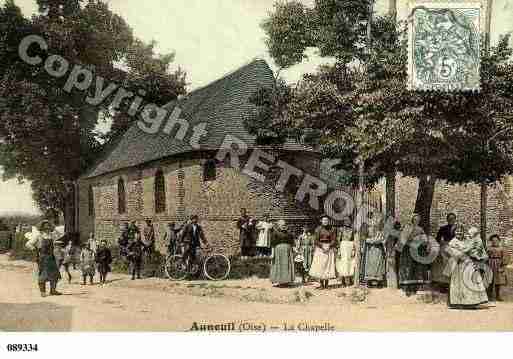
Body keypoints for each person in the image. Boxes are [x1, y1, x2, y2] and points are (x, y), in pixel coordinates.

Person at [445, 227, 488, 309]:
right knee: (459, 284)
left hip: (469, 264)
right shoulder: (452, 242)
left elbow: (475, 250)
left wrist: (476, 256)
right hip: (459, 265)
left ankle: (472, 302)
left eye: (461, 231)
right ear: (454, 232)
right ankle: (459, 302)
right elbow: (453, 254)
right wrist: (463, 252)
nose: (459, 233)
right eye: (457, 231)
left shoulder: (467, 240)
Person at [25, 220, 62, 297]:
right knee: (43, 274)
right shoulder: (39, 235)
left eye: (49, 227)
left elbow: (60, 235)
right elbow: (28, 244)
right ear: (42, 228)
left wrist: (53, 228)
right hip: (43, 257)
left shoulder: (52, 235)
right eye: (45, 227)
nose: (47, 229)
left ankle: (53, 290)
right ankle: (43, 292)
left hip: (51, 257)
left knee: (55, 274)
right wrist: (35, 249)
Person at [397, 214, 430, 296]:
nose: (416, 221)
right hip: (407, 251)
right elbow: (402, 239)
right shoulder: (407, 228)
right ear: (412, 220)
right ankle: (406, 288)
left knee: (417, 269)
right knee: (408, 268)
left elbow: (425, 240)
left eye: (418, 220)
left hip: (417, 251)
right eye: (415, 219)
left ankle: (415, 288)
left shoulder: (420, 229)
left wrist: (422, 242)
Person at [309, 217, 337, 290]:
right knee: (320, 266)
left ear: (329, 221)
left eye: (327, 220)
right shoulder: (318, 229)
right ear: (321, 221)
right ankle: (321, 284)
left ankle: (327, 284)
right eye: (324, 220)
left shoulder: (332, 229)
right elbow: (315, 240)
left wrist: (329, 246)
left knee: (328, 266)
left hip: (329, 248)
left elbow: (334, 240)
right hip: (320, 249)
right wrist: (322, 246)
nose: (325, 222)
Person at [432, 213, 458, 290]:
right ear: (447, 220)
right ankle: (444, 284)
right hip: (445, 248)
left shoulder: (458, 228)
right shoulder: (443, 228)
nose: (451, 220)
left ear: (455, 219)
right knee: (444, 265)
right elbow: (437, 239)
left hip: (455, 248)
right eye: (449, 218)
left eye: (453, 218)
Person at [270, 219, 295, 287]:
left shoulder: (289, 233)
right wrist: (272, 254)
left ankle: (287, 281)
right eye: (281, 225)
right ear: (278, 225)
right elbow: (273, 244)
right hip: (278, 251)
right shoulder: (275, 233)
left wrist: (294, 250)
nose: (283, 226)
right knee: (279, 265)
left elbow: (292, 243)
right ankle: (280, 281)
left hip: (288, 251)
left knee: (287, 265)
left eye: (284, 225)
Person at [487, 234, 508, 302]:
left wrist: (503, 266)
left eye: (496, 240)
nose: (494, 242)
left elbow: (504, 258)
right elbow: (486, 256)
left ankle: (498, 295)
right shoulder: (489, 248)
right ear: (491, 241)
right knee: (490, 280)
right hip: (490, 264)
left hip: (498, 265)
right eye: (493, 241)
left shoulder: (501, 249)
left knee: (498, 281)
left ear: (499, 241)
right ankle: (489, 295)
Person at [384, 221, 401, 289]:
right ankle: (392, 284)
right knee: (392, 268)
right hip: (392, 253)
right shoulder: (392, 234)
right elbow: (386, 243)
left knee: (394, 268)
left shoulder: (397, 234)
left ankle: (394, 284)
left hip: (394, 253)